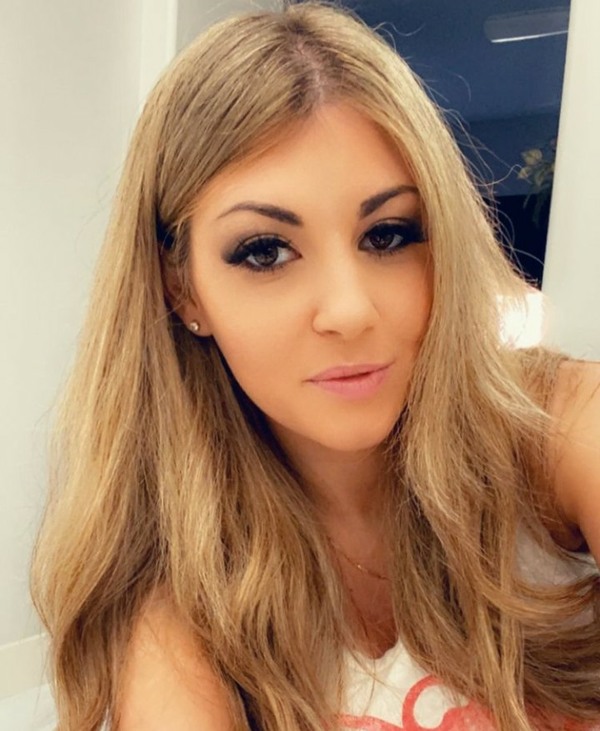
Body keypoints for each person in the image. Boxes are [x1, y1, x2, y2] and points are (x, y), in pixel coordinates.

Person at [29, 2, 600, 730]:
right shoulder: (178, 603)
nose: (350, 310)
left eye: (388, 234)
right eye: (265, 251)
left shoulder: (556, 428)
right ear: (183, 289)